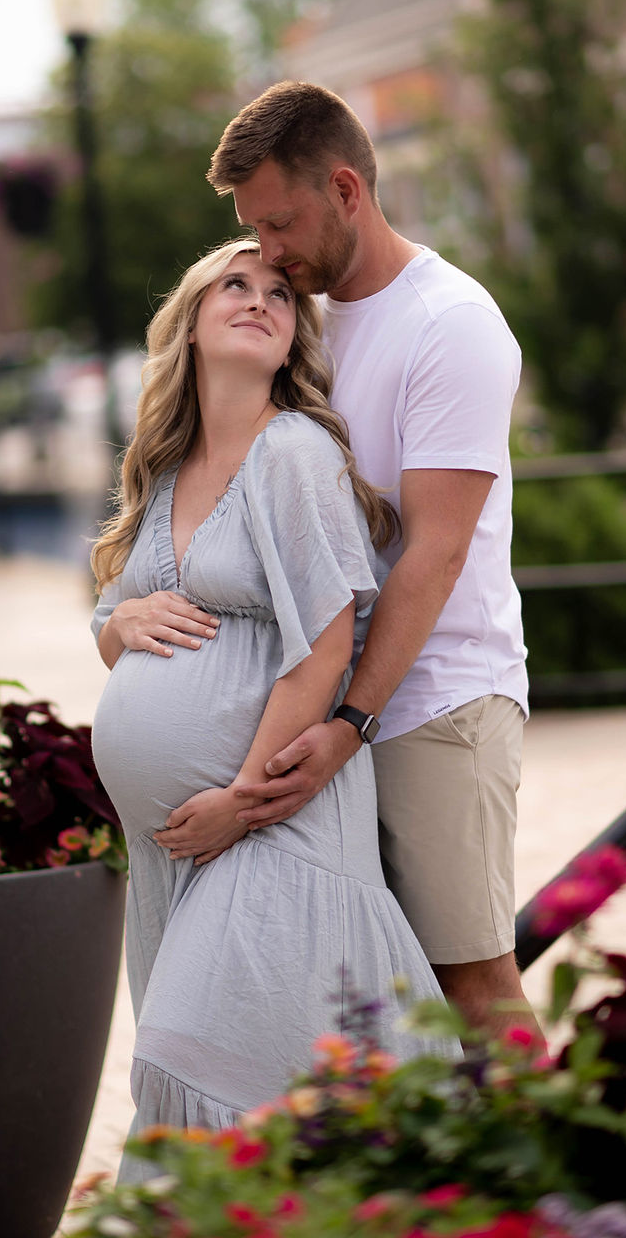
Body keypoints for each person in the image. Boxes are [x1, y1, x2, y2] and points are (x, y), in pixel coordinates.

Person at [89, 238, 452, 1181]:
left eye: (281, 295)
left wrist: (237, 804)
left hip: (272, 824)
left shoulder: (291, 452)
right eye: (234, 286)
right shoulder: (165, 474)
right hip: (178, 849)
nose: (259, 301)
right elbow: (109, 630)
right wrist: (124, 616)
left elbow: (325, 650)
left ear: (294, 340)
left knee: (190, 1060)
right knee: (256, 1091)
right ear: (192, 323)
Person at [191, 81, 534, 1040]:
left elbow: (433, 551)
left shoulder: (451, 324)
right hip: (336, 712)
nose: (266, 253)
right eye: (253, 231)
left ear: (346, 188)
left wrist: (348, 721)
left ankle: (573, 1194)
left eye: (280, 223)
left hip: (432, 705)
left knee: (472, 992)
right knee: (374, 1008)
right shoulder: (302, 314)